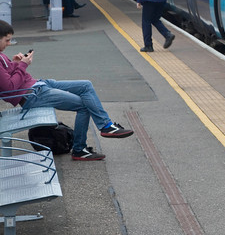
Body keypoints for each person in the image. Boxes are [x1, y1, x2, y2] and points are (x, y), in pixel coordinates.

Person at [0, 20, 134, 161]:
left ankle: (106, 126)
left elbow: (9, 76)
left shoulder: (1, 55)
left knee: (86, 85)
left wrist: (15, 64)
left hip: (38, 85)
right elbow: (10, 88)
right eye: (7, 40)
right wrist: (22, 66)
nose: (9, 44)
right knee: (84, 105)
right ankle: (79, 149)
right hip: (32, 95)